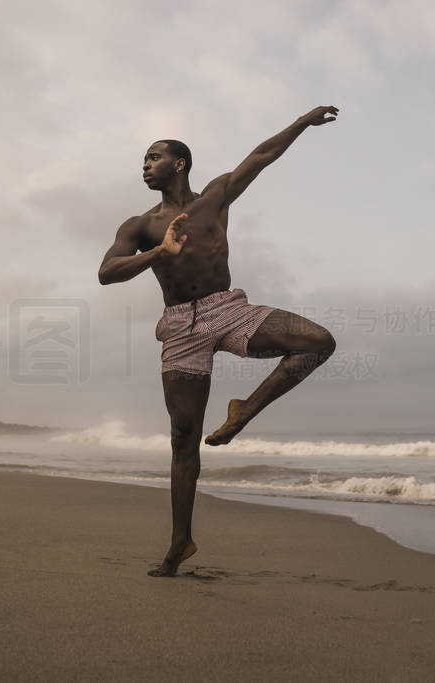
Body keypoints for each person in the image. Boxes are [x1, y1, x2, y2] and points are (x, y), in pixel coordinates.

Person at [98, 106, 339, 577]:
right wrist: (159, 252)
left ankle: (244, 410)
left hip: (227, 310)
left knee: (317, 342)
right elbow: (107, 273)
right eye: (143, 160)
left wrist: (302, 123)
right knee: (183, 440)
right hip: (180, 328)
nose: (145, 165)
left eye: (153, 157)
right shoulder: (140, 225)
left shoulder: (215, 197)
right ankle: (180, 543)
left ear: (179, 163)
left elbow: (262, 155)